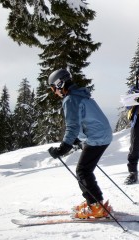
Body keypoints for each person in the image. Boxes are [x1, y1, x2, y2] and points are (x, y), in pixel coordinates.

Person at [47, 69, 113, 219]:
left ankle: (95, 206)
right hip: (101, 135)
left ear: (59, 84)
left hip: (97, 137)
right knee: (85, 170)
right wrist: (77, 139)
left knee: (83, 171)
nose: (54, 92)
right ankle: (96, 202)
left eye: (53, 88)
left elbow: (72, 126)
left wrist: (63, 148)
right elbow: (83, 119)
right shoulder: (79, 95)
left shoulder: (70, 99)